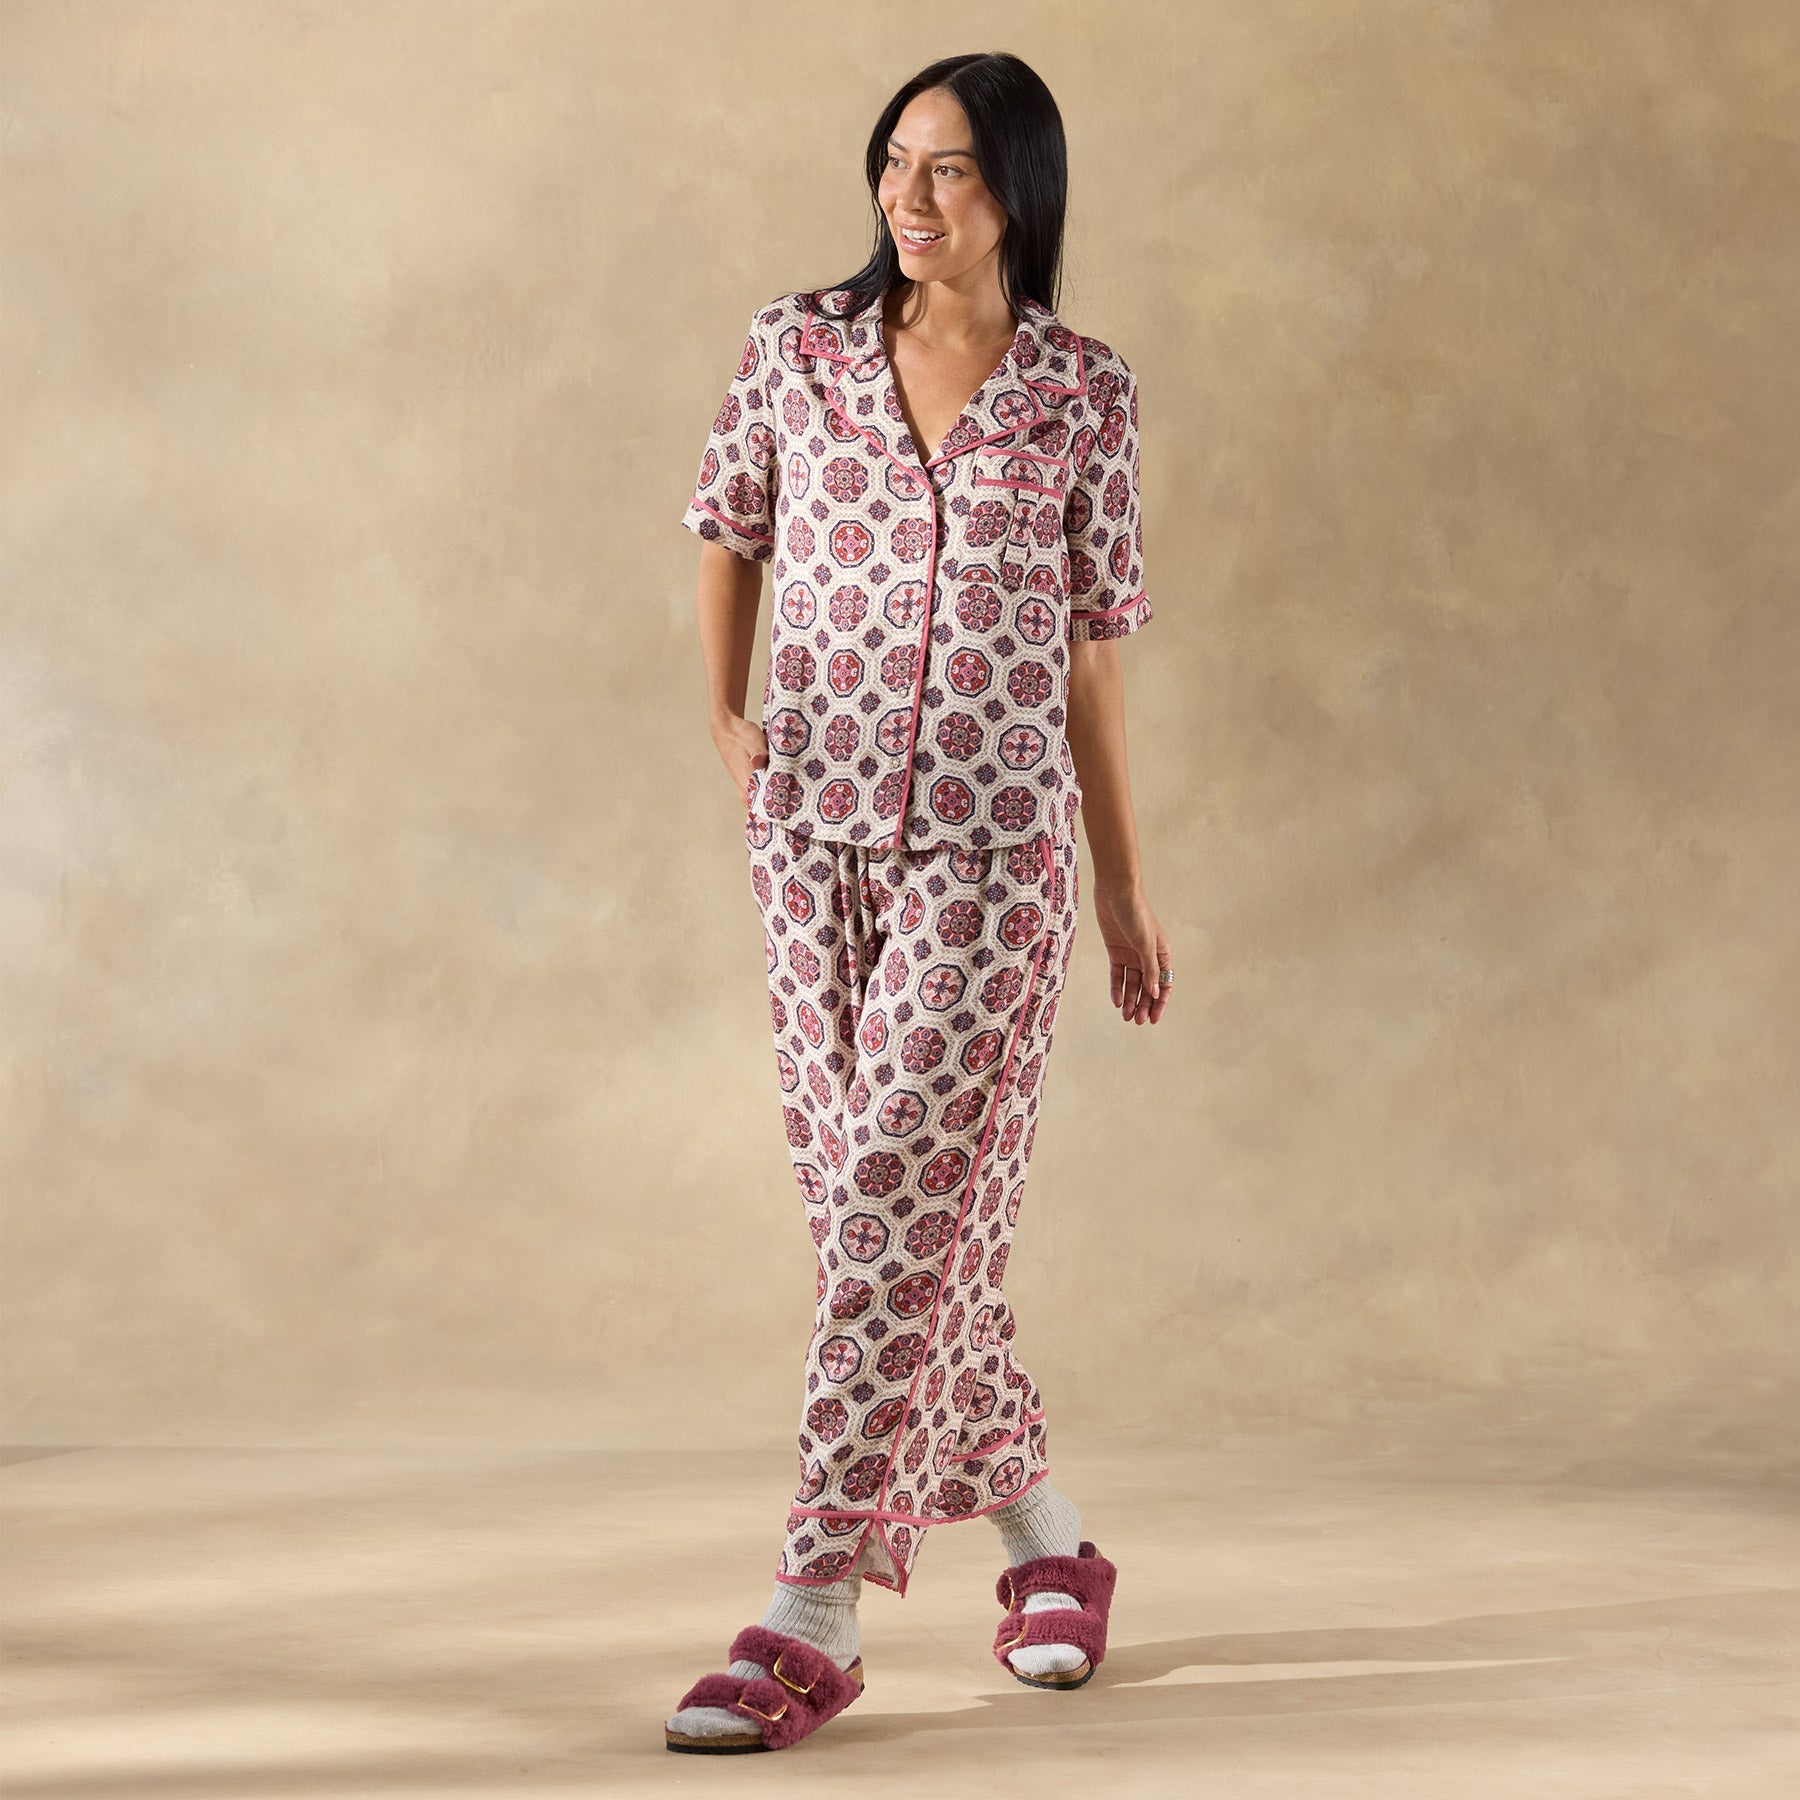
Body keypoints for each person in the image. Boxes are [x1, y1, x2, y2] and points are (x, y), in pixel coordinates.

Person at [666, 50, 1171, 1754]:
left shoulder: (1081, 393)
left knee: (890, 1199)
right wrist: (725, 717)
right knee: (873, 1225)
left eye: (947, 168)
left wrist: (1122, 883)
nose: (909, 195)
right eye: (894, 161)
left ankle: (810, 1607)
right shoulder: (798, 346)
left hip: (992, 853)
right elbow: (730, 522)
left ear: (1017, 187)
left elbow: (1094, 653)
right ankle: (1047, 1539)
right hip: (809, 833)